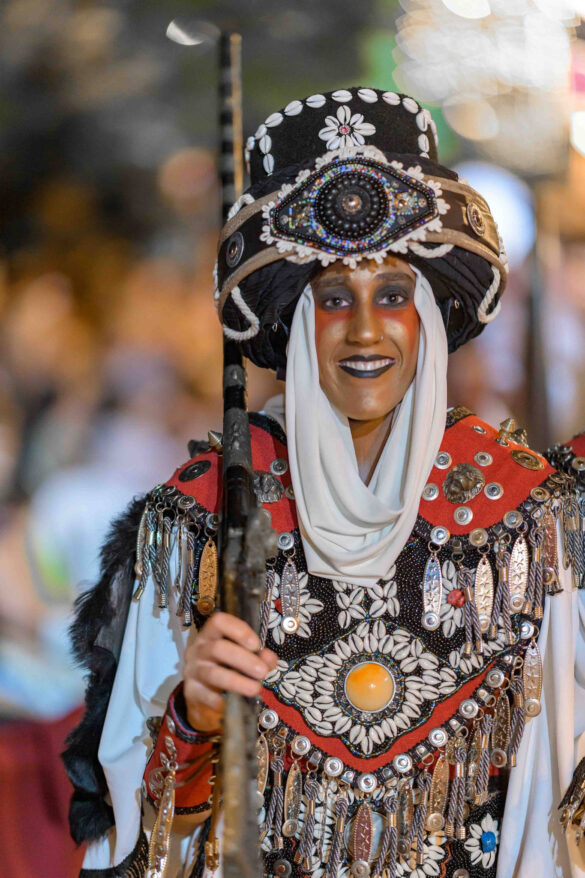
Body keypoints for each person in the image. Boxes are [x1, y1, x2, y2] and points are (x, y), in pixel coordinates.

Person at [64, 88, 584, 878]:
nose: (364, 330)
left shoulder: (533, 523)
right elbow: (136, 840)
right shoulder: (198, 526)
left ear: (429, 318)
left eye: (393, 297)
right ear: (294, 325)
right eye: (333, 300)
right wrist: (192, 717)